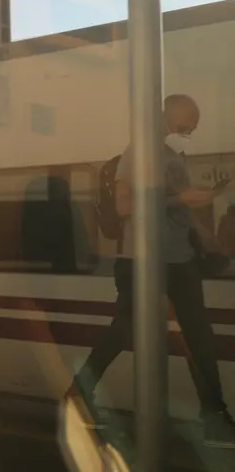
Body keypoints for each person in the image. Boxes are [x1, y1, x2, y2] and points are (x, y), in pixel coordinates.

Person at [68, 94, 235, 448]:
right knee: (124, 331)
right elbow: (125, 205)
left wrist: (205, 231)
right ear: (168, 117)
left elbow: (180, 214)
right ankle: (77, 397)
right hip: (141, 260)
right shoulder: (138, 153)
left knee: (199, 337)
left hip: (181, 259)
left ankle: (214, 416)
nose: (190, 130)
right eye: (187, 124)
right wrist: (181, 199)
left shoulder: (175, 158)